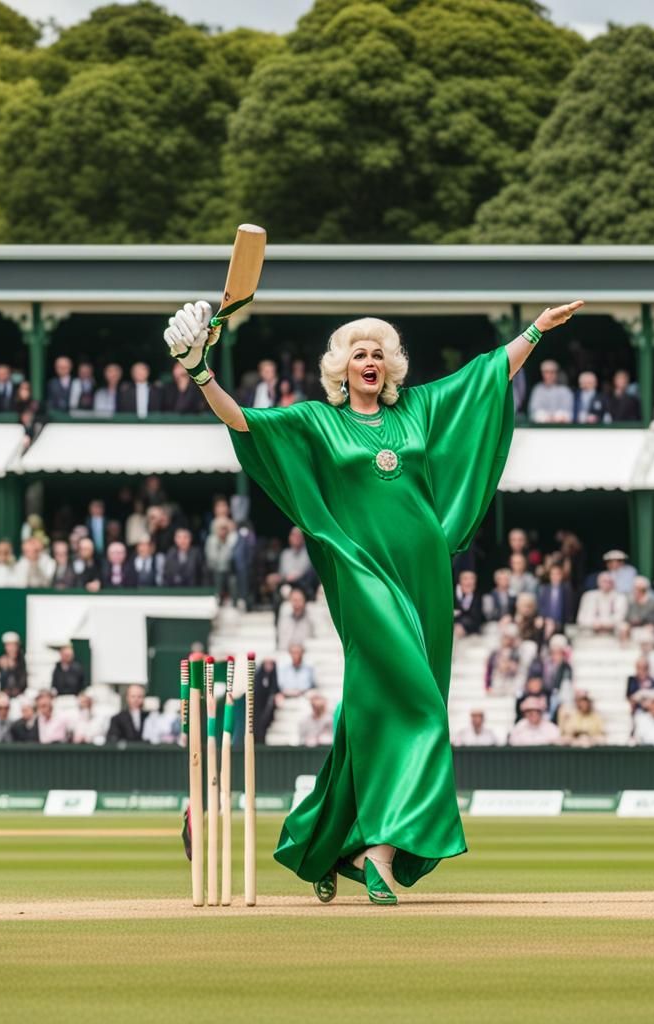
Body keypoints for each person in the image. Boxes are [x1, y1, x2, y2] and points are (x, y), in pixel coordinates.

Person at [165, 295, 582, 904]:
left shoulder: (417, 409)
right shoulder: (317, 420)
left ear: (390, 366)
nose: (370, 360)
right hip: (363, 574)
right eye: (358, 353)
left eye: (379, 353)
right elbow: (242, 421)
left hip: (426, 575)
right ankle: (379, 851)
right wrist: (199, 370)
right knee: (419, 706)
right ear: (340, 368)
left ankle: (327, 842)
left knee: (375, 711)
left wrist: (537, 332)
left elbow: (486, 376)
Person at [452, 570, 483, 638]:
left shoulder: (477, 596)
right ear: (460, 581)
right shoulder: (451, 595)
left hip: (470, 633)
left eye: (472, 579)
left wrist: (462, 625)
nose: (469, 582)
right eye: (465, 579)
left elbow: (477, 619)